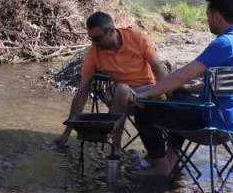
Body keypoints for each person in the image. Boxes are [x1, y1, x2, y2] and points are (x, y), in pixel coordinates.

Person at [134, 0, 233, 178]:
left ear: (217, 17)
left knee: (144, 111)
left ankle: (160, 168)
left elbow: (182, 75)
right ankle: (171, 159)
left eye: (208, 16)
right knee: (177, 96)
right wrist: (188, 89)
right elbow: (225, 84)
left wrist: (146, 94)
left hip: (215, 123)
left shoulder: (224, 44)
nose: (207, 20)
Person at [52, 11, 170, 169]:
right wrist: (67, 133)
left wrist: (164, 96)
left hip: (148, 91)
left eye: (97, 38)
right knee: (120, 89)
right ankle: (116, 148)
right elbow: (82, 92)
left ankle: (115, 149)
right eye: (91, 38)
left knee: (123, 91)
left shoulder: (137, 38)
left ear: (111, 32)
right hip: (121, 96)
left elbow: (159, 69)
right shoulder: (94, 52)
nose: (94, 43)